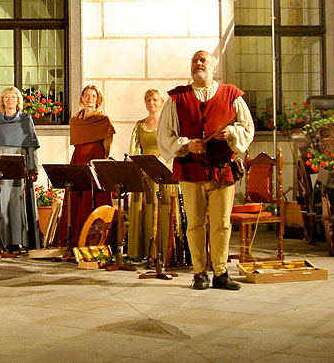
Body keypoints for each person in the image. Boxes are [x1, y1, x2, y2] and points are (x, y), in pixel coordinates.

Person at [158, 50, 254, 291]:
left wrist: (231, 133)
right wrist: (186, 145)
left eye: (204, 61)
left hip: (223, 172)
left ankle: (220, 272)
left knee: (222, 223)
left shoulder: (231, 95)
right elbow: (165, 135)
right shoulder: (176, 98)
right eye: (194, 61)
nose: (198, 63)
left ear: (214, 68)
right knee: (195, 224)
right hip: (191, 170)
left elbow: (247, 128)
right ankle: (200, 272)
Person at [57, 84, 115, 249]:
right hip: (79, 160)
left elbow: (108, 144)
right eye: (87, 95)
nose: (90, 99)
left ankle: (97, 240)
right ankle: (76, 237)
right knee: (77, 197)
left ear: (98, 99)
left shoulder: (103, 120)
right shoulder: (75, 120)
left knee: (97, 197)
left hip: (96, 159)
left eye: (93, 96)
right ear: (82, 98)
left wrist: (100, 161)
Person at [0, 86, 41, 252]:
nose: (9, 100)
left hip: (18, 166)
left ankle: (16, 241)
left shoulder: (25, 120)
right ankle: (0, 240)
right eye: (6, 97)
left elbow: (31, 147)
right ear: (2, 101)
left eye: (13, 97)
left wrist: (32, 169)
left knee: (16, 204)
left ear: (18, 101)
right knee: (0, 203)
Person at [127, 89, 178, 261]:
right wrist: (138, 167)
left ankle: (164, 250)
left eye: (155, 100)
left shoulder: (169, 124)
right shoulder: (139, 125)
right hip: (144, 172)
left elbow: (173, 146)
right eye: (148, 100)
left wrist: (161, 164)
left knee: (162, 209)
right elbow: (134, 149)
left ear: (162, 103)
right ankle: (143, 250)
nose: (152, 103)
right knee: (145, 209)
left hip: (163, 171)